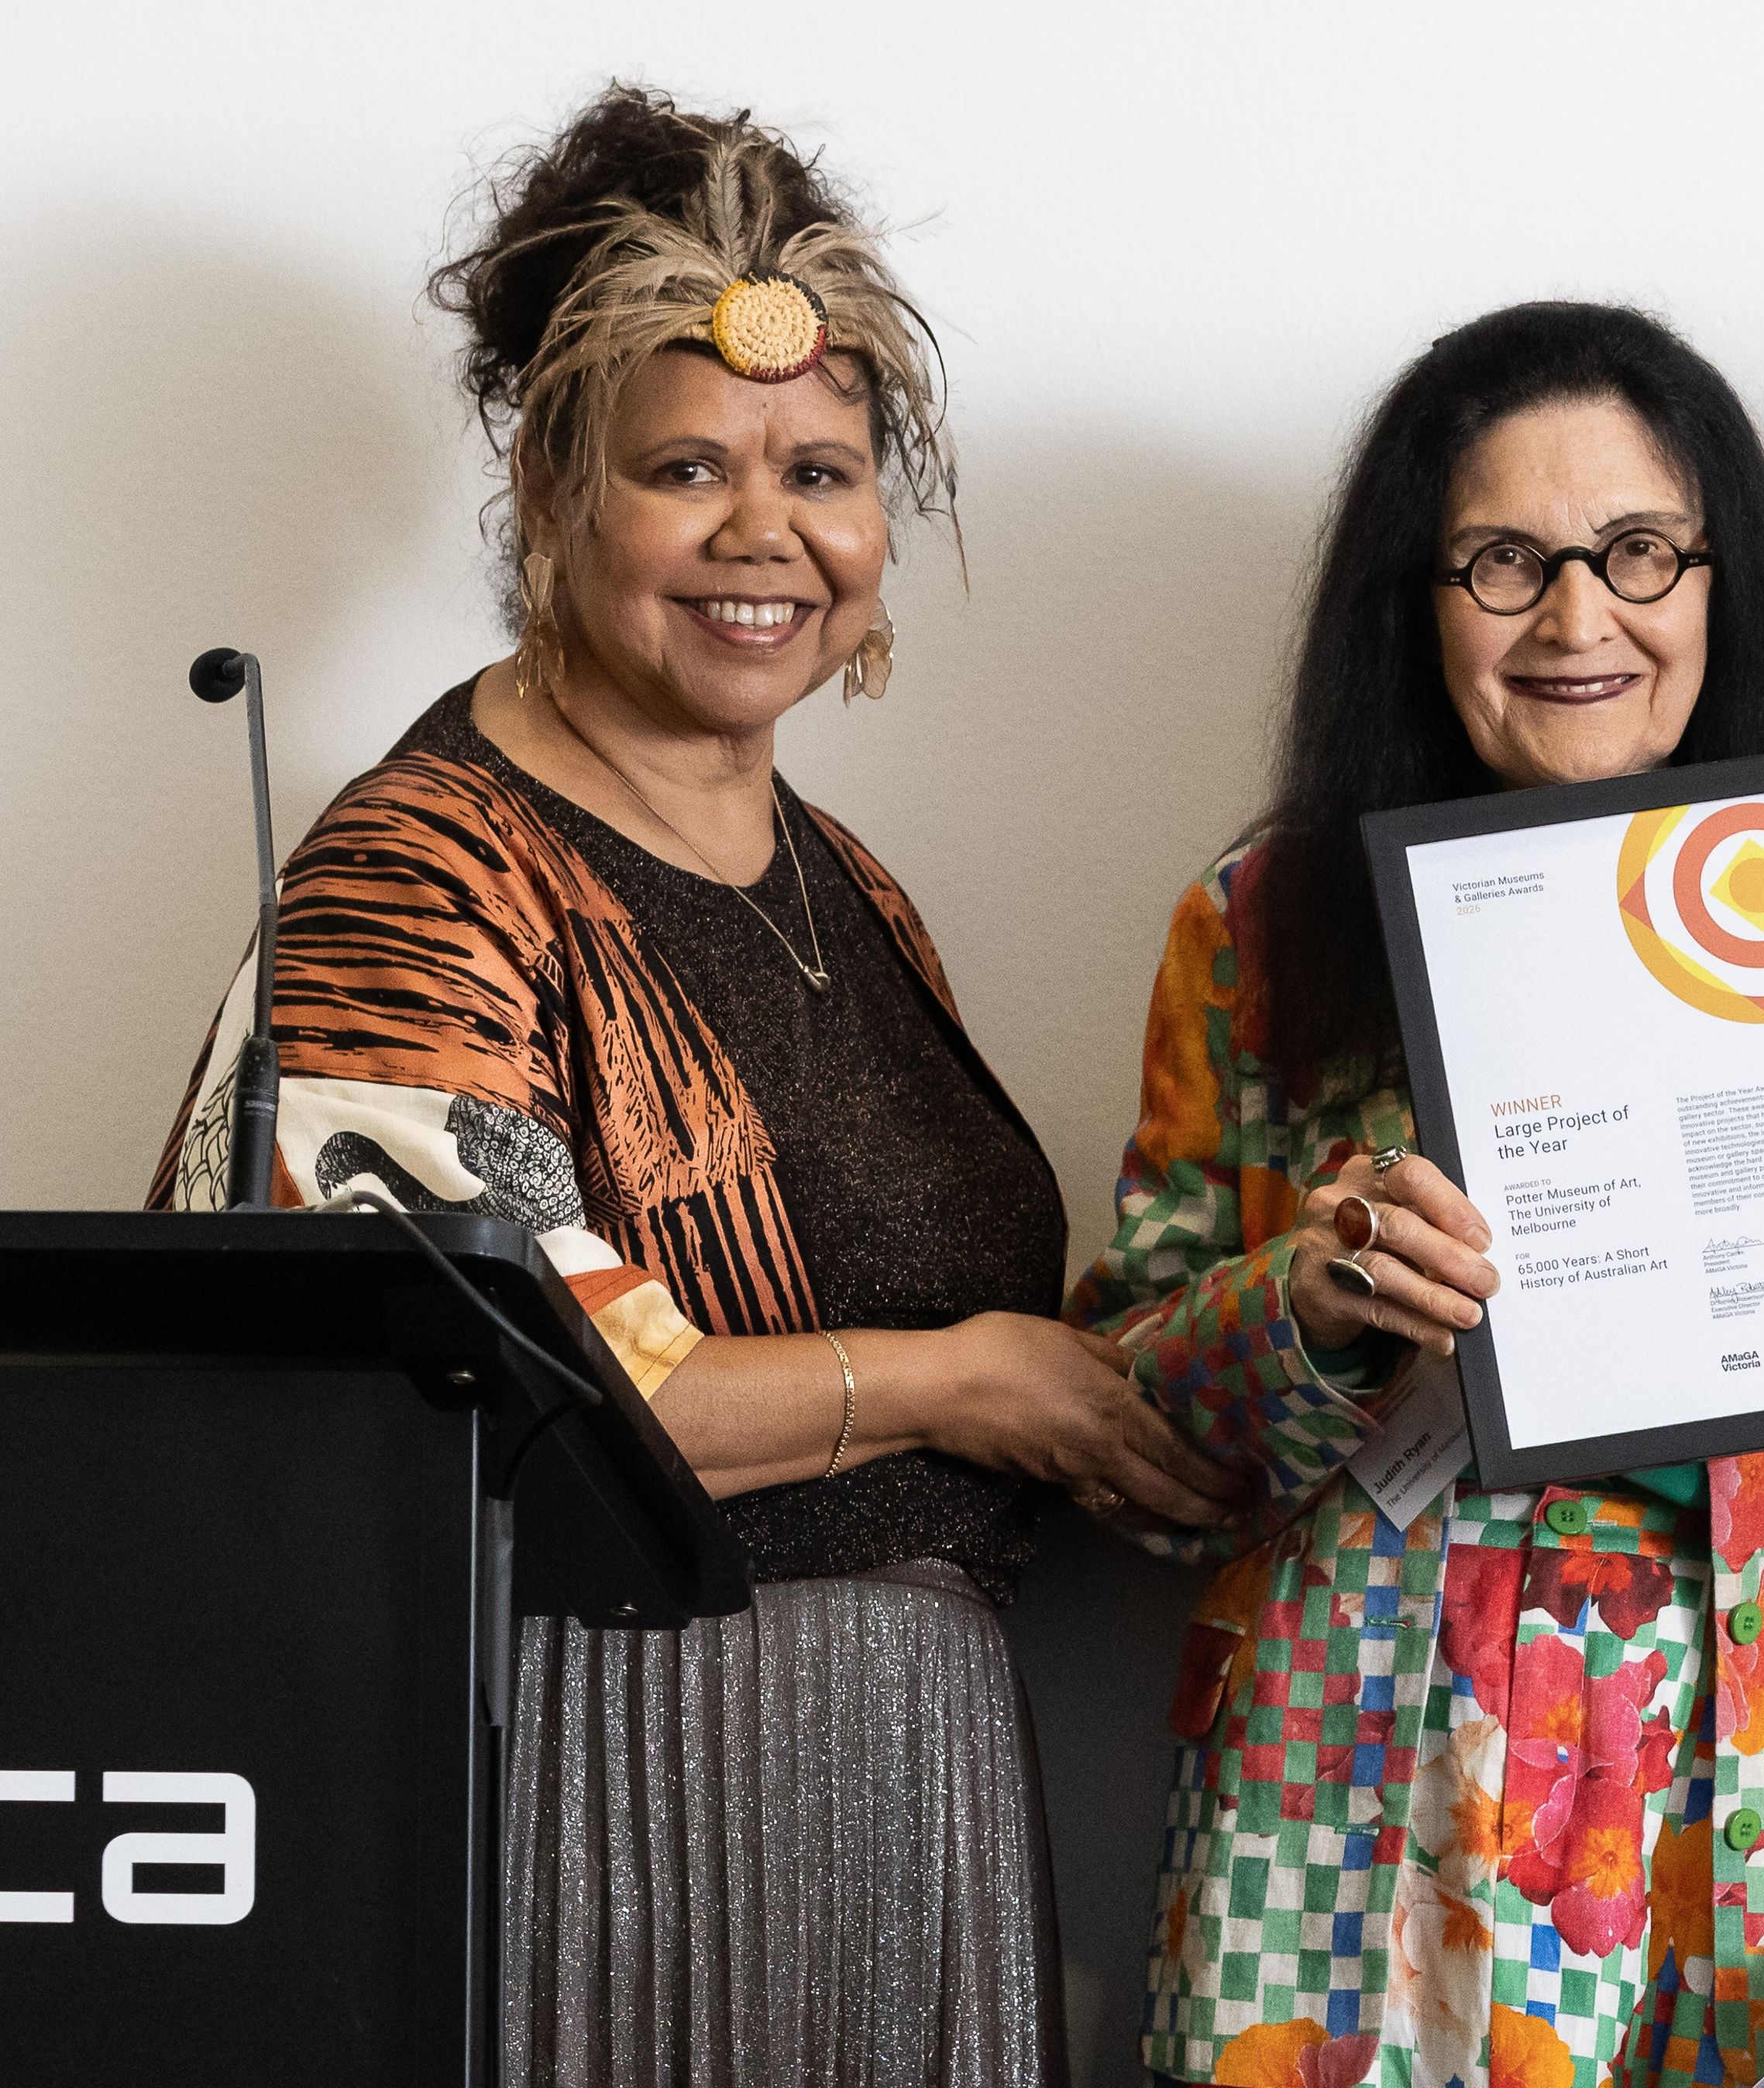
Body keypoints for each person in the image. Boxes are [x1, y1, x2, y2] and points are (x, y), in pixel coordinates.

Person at [151, 86, 1238, 2087]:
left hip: (905, 1797)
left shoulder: (851, 889)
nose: (769, 534)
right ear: (550, 490)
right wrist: (962, 1378)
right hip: (594, 1788)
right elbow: (502, 1385)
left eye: (823, 468)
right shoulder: (423, 871)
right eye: (686, 466)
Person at [1068, 300, 1764, 2088]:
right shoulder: (1263, 920)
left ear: (1720, 576)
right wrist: (1303, 1310)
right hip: (1348, 1801)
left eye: (1634, 552)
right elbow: (1137, 1444)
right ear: (1417, 594)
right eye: (1501, 561)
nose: (1576, 618)